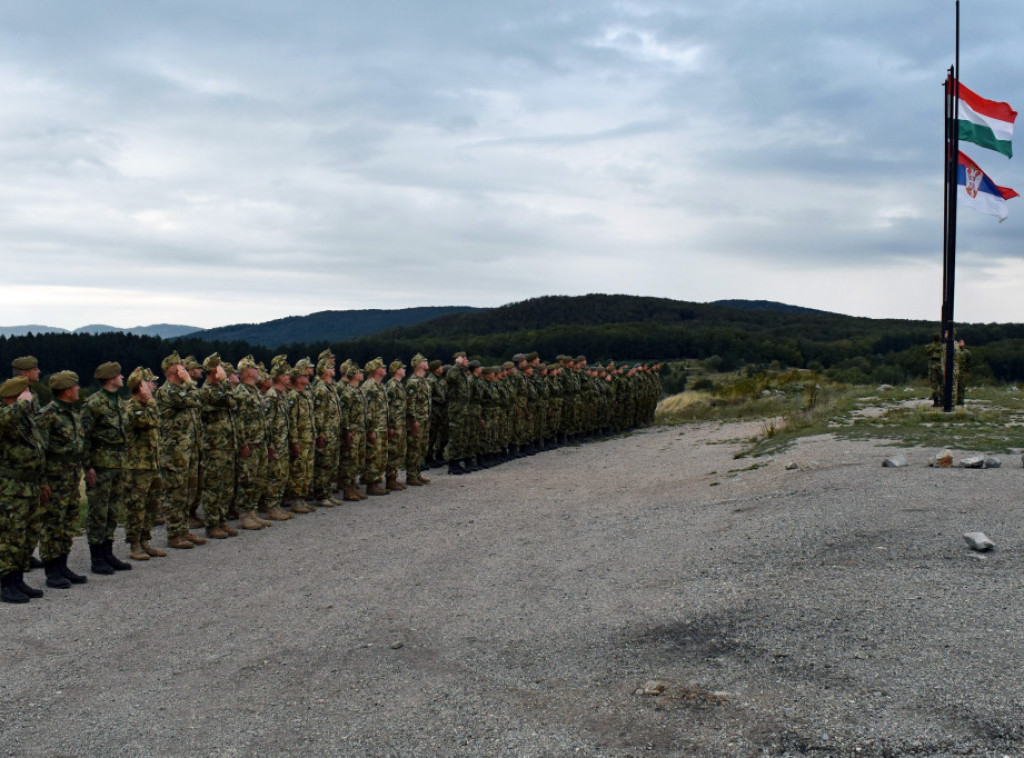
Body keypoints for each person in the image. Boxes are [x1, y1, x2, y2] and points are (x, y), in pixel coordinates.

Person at [36, 370, 88, 587]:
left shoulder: (72, 413)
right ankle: (52, 571)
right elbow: (40, 451)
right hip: (55, 479)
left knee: (68, 522)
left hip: (72, 476)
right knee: (52, 524)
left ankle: (63, 565)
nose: (78, 389)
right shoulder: (48, 414)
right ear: (66, 390)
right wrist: (42, 481)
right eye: (75, 386)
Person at [81, 361, 133, 574]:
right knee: (98, 511)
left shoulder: (120, 402)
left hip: (119, 463)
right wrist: (87, 467)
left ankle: (108, 552)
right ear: (111, 378)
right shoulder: (93, 403)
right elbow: (84, 437)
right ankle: (97, 557)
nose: (123, 377)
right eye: (119, 375)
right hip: (101, 464)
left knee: (113, 510)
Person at [0, 377, 48, 603]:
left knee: (26, 536)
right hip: (11, 488)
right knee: (11, 536)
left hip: (30, 485)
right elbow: (5, 420)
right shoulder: (7, 414)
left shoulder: (23, 418)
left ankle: (18, 580)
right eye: (25, 392)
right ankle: (6, 583)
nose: (29, 395)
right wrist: (22, 404)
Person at [155, 352, 207, 549]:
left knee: (187, 491)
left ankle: (183, 530)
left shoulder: (180, 389)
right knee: (175, 493)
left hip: (187, 449)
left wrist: (186, 382)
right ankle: (174, 534)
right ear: (172, 370)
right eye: (180, 366)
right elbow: (195, 399)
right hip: (173, 451)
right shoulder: (168, 391)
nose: (184, 368)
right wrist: (188, 381)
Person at [123, 368, 166, 561]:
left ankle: (145, 540)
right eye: (150, 382)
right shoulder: (132, 408)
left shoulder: (147, 406)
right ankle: (134, 545)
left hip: (151, 464)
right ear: (140, 386)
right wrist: (150, 400)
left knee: (152, 505)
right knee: (137, 507)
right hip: (137, 467)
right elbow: (153, 419)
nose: (154, 385)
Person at [198, 353, 239, 539]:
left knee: (226, 486)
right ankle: (212, 524)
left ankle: (222, 520)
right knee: (213, 486)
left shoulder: (219, 389)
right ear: (214, 371)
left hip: (226, 444)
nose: (224, 371)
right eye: (220, 368)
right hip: (214, 447)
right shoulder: (207, 391)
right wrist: (225, 383)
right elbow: (231, 401)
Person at [361, 357, 389, 496]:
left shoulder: (380, 386)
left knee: (380, 455)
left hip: (381, 426)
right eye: (382, 367)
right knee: (372, 455)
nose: (385, 368)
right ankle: (370, 484)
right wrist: (371, 429)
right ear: (375, 370)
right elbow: (368, 410)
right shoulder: (370, 386)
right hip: (375, 427)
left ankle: (376, 481)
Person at [404, 353, 431, 486]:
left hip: (425, 419)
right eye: (424, 360)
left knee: (422, 447)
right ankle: (411, 475)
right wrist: (413, 421)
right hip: (417, 420)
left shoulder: (424, 380)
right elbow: (410, 404)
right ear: (418, 364)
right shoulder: (413, 382)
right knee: (414, 447)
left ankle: (417, 472)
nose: (427, 362)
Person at [384, 359, 408, 492]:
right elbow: (389, 407)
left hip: (401, 422)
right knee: (393, 451)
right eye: (402, 368)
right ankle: (390, 479)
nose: (404, 370)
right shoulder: (392, 385)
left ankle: (394, 478)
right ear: (397, 370)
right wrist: (391, 425)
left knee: (398, 450)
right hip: (395, 423)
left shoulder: (399, 385)